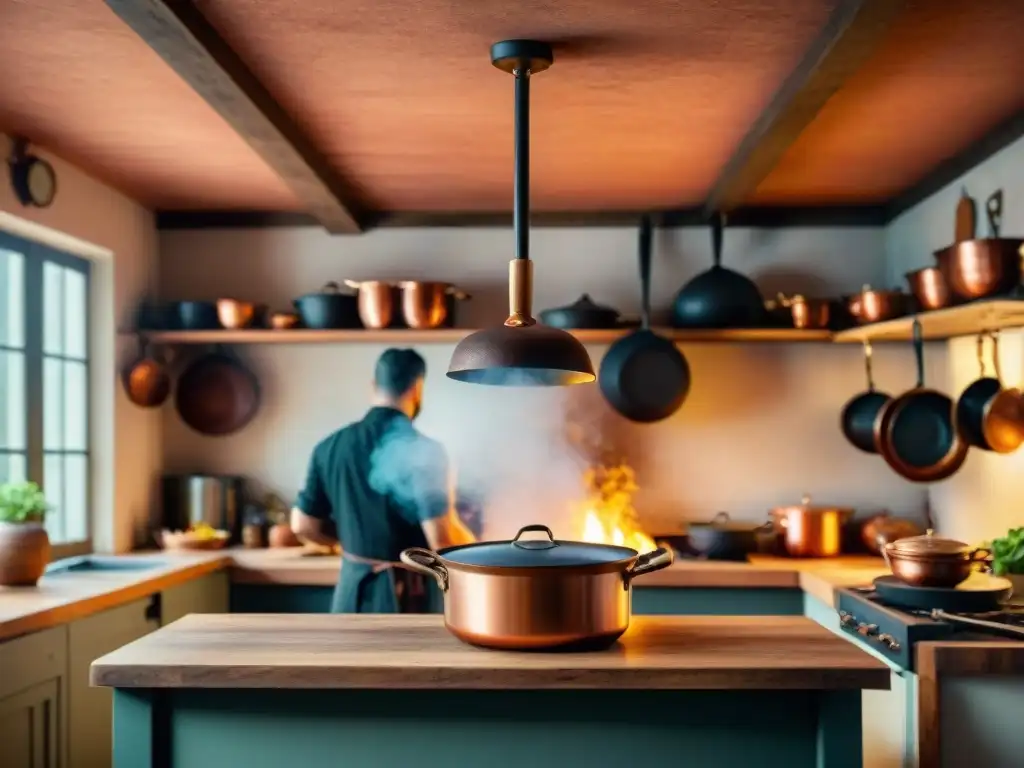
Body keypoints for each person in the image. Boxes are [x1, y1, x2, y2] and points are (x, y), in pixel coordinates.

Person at [290, 348, 476, 613]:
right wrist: (483, 550)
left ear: (374, 386)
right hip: (405, 601)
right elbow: (442, 540)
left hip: (349, 595)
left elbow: (302, 524)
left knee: (350, 656)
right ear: (417, 388)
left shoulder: (329, 447)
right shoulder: (424, 451)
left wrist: (349, 539)